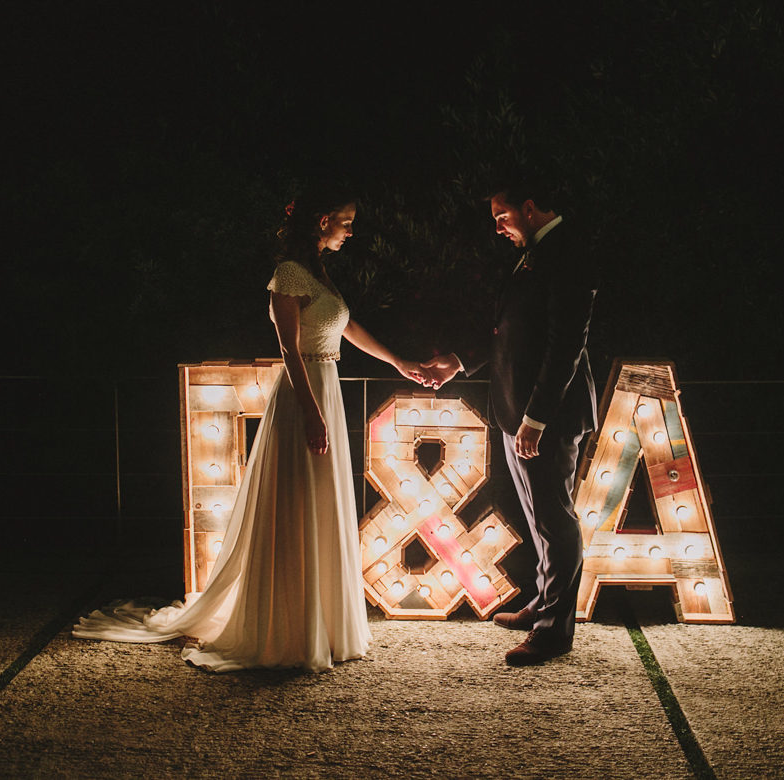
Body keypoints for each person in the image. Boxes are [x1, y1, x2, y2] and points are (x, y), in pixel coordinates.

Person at [74, 186, 425, 672]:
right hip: (304, 392)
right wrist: (309, 411)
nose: (352, 229)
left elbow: (347, 329)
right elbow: (288, 347)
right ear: (322, 220)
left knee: (320, 503)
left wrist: (400, 361)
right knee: (297, 501)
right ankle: (288, 629)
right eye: (347, 219)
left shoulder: (320, 274)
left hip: (326, 385)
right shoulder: (288, 274)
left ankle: (324, 623)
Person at [420, 183, 598, 666]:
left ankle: (553, 632)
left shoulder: (567, 255)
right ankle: (543, 604)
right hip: (516, 411)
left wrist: (537, 419)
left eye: (502, 215)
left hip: (548, 417)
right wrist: (457, 361)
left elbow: (565, 345)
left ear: (531, 207)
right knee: (541, 518)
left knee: (555, 520)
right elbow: (508, 332)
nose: (497, 226)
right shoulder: (534, 254)